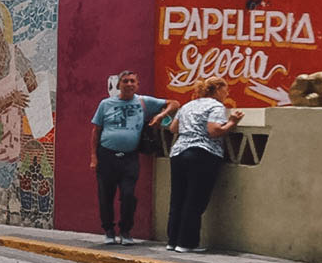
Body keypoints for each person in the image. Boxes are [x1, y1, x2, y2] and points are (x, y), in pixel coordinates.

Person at [90, 71, 179, 245]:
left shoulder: (143, 102)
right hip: (107, 155)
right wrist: (94, 157)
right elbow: (96, 131)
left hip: (130, 158)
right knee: (105, 196)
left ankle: (125, 230)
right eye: (125, 81)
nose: (129, 84)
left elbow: (175, 103)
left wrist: (160, 115)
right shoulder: (106, 104)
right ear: (119, 85)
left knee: (129, 194)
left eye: (132, 81)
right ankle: (108, 230)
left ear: (137, 85)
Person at [166, 77, 244, 253]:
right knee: (195, 199)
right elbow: (214, 130)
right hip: (202, 153)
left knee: (178, 198)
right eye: (225, 90)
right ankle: (187, 243)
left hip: (178, 152)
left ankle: (173, 240)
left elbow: (173, 128)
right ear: (217, 90)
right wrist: (232, 121)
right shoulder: (216, 107)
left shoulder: (188, 105)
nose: (227, 93)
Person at [0, 2, 37, 188]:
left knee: (6, 184)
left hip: (12, 134)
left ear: (3, 35)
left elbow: (32, 82)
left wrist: (33, 101)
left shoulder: (15, 54)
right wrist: (12, 99)